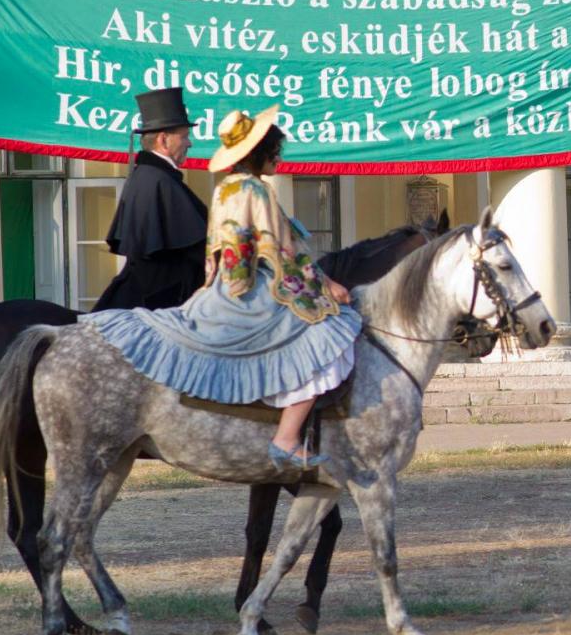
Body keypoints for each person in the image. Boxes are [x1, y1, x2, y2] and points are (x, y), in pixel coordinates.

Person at [82, 105, 362, 469]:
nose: (278, 156)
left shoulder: (225, 187)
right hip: (253, 290)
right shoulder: (256, 191)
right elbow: (282, 253)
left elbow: (214, 252)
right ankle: (287, 438)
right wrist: (327, 286)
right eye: (274, 150)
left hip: (217, 290)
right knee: (328, 333)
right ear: (258, 152)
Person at [92, 87, 210, 312]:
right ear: (164, 140)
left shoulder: (151, 176)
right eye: (184, 137)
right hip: (160, 302)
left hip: (151, 293)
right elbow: (195, 246)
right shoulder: (158, 180)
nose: (189, 143)